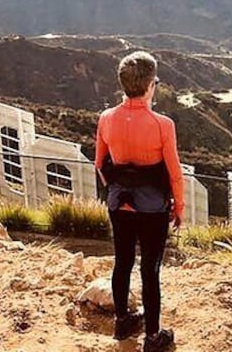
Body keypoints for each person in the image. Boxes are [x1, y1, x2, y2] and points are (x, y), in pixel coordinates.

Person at [95, 51, 184, 350]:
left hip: (119, 204)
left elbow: (100, 164)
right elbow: (175, 174)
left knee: (122, 262)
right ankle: (153, 337)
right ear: (150, 86)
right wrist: (179, 208)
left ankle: (122, 322)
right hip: (153, 209)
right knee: (150, 269)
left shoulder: (106, 119)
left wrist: (118, 190)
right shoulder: (163, 124)